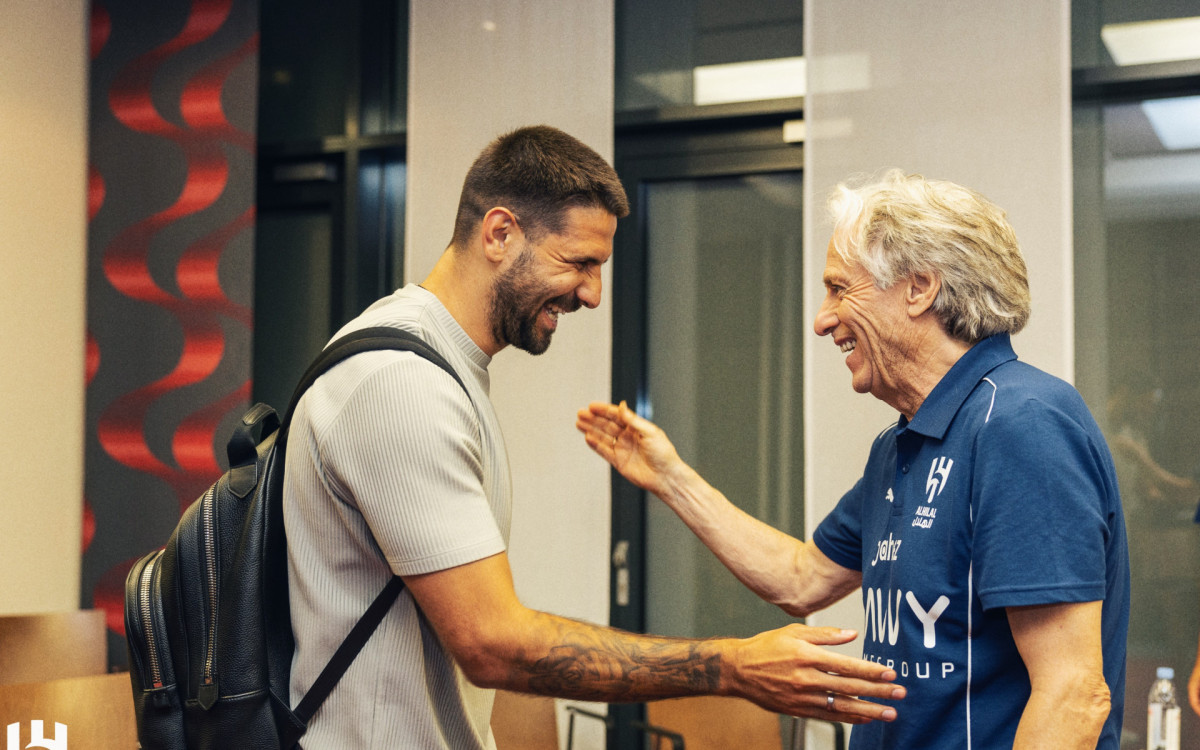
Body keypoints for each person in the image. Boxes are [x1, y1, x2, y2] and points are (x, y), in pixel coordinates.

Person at [283, 126, 905, 749]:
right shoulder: (400, 383)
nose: (592, 293)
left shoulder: (441, 369)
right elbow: (491, 644)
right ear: (499, 234)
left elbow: (802, 580)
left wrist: (667, 475)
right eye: (579, 263)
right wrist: (730, 667)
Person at [579, 170, 1130, 749]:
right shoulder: (902, 443)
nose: (821, 319)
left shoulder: (1021, 423)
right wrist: (671, 478)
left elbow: (1073, 692)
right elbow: (801, 578)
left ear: (919, 288)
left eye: (840, 289)